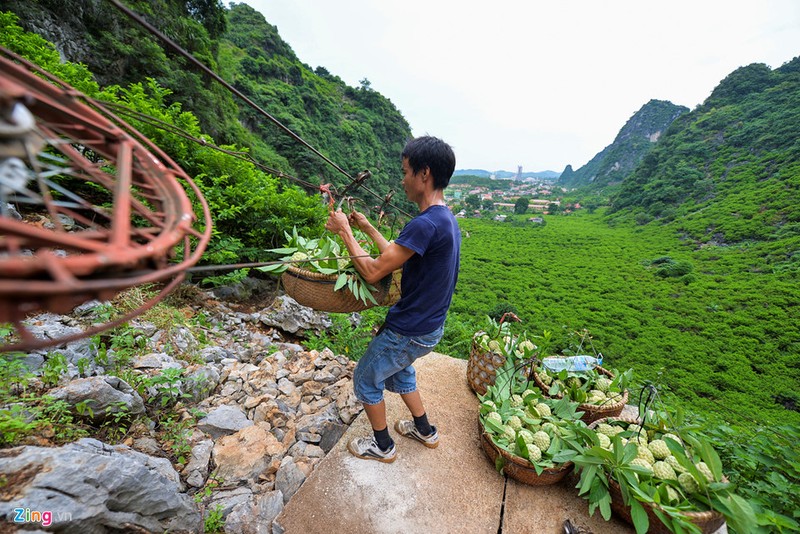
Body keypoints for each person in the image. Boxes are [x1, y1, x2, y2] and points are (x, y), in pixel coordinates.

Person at [325, 135, 460, 463]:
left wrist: (343, 231)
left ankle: (383, 446)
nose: (402, 181)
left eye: (405, 172)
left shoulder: (425, 224)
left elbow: (372, 272)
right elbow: (396, 255)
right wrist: (369, 228)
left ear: (423, 174)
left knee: (365, 379)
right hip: (429, 329)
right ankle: (425, 430)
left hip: (408, 328)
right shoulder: (445, 219)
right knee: (400, 373)